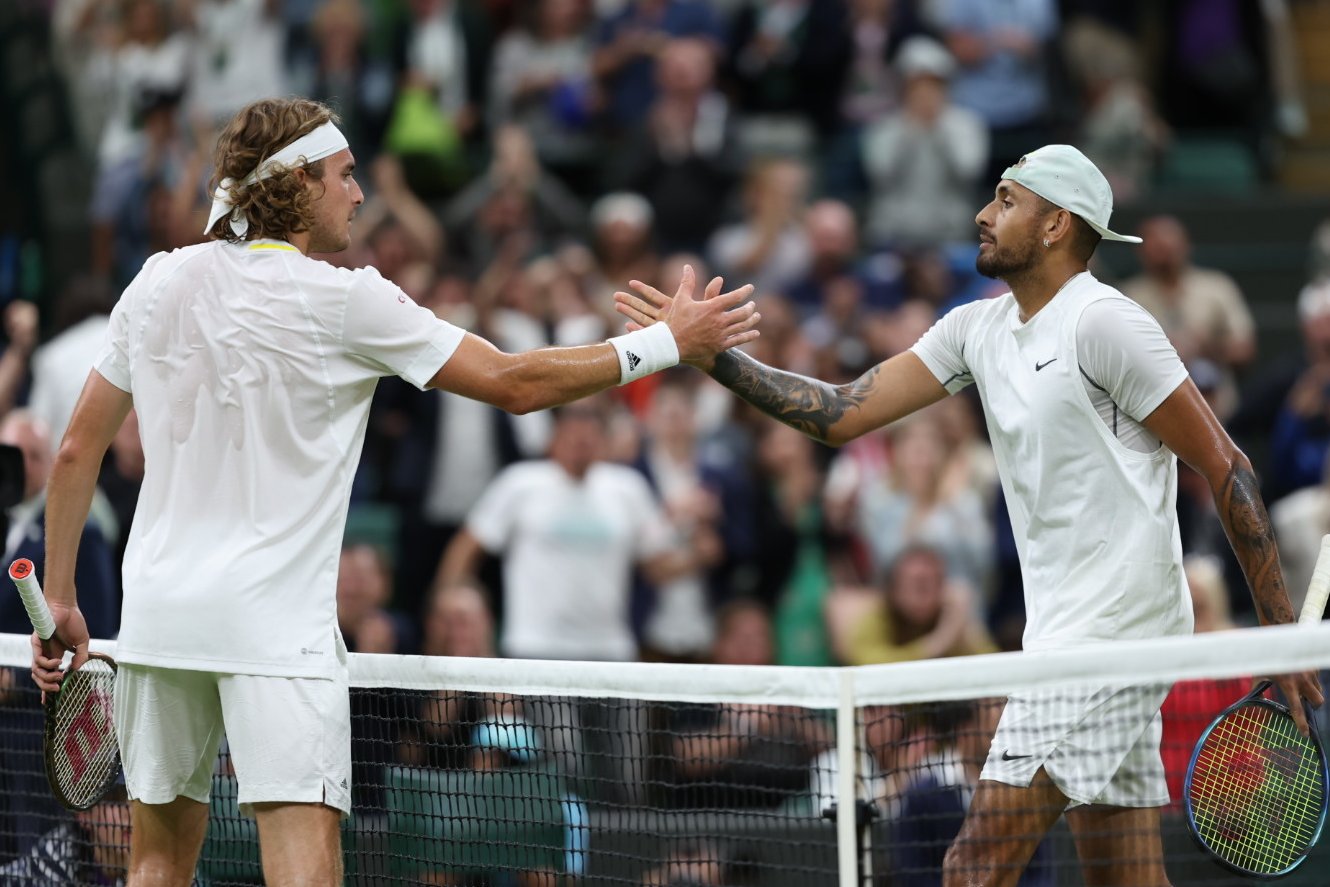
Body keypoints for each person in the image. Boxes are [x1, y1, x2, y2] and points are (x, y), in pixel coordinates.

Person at [29, 96, 759, 887]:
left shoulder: (157, 279)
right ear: (299, 184)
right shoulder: (348, 300)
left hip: (159, 616)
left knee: (157, 864)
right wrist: (668, 343)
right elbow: (515, 382)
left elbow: (75, 451)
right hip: (276, 633)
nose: (359, 194)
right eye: (345, 176)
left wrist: (62, 599)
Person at [615, 142, 1321, 886]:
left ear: (1055, 225)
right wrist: (704, 354)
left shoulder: (1106, 324)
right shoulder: (974, 332)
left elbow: (1227, 465)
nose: (984, 215)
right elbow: (839, 413)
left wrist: (1282, 638)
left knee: (971, 865)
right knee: (1127, 876)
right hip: (1066, 636)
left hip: (1112, 637)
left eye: (1007, 201)